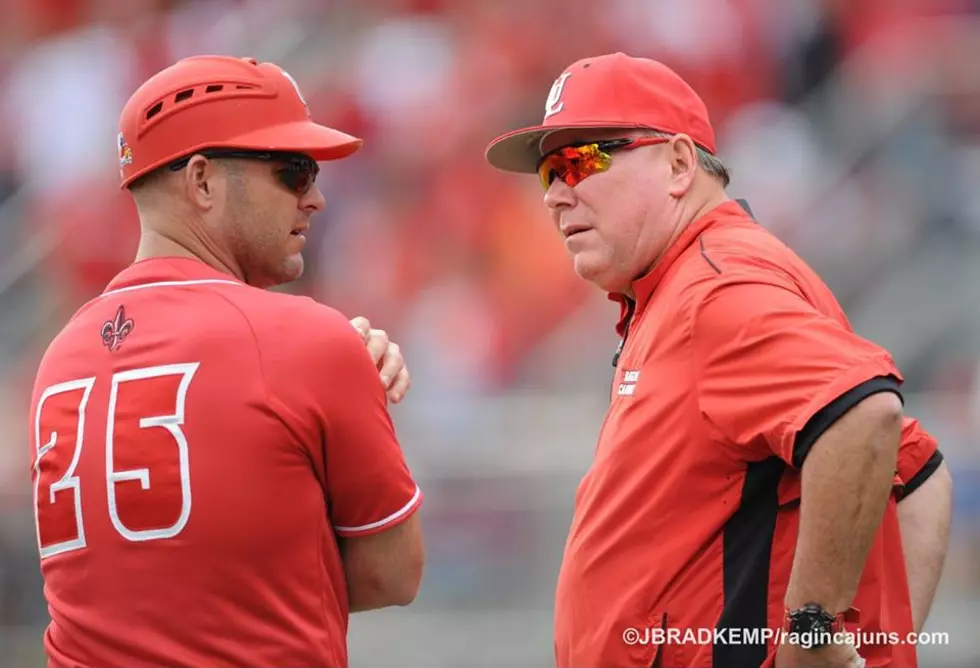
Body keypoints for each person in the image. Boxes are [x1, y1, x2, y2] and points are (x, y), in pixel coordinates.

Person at [485, 52, 953, 668]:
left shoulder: (715, 289)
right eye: (549, 173)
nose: (556, 195)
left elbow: (866, 421)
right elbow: (919, 478)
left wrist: (812, 642)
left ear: (679, 163)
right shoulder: (688, 284)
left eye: (581, 159)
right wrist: (882, 650)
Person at [29, 55, 424, 668]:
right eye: (293, 171)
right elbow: (392, 575)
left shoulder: (59, 355)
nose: (316, 198)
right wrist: (346, 380)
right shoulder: (307, 340)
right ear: (203, 180)